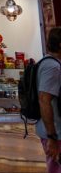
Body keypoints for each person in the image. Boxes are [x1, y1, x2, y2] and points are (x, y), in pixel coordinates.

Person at [37, 27, 61, 172]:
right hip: (56, 132)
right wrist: (51, 137)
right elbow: (44, 100)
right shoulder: (52, 67)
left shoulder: (47, 63)